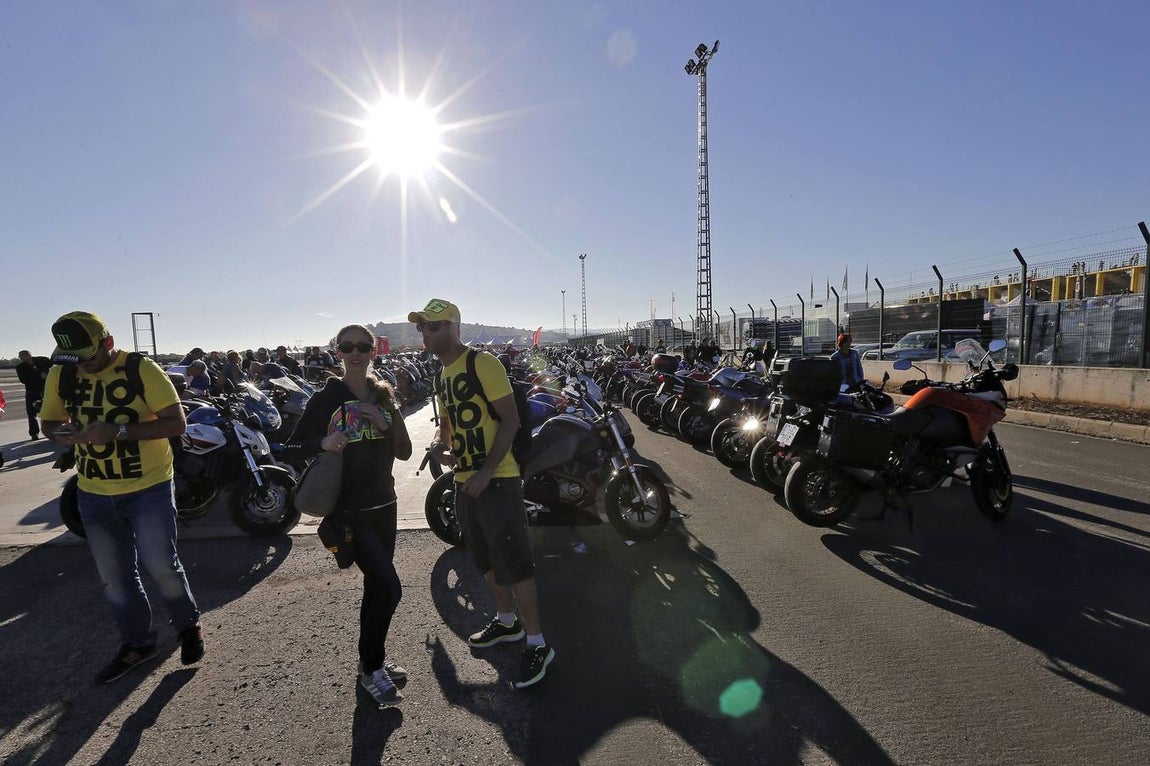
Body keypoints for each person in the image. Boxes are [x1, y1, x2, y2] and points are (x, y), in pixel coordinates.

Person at [38, 311, 204, 684]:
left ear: (107, 344)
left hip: (149, 488)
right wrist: (59, 434)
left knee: (162, 566)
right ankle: (138, 644)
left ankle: (188, 626)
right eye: (72, 358)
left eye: (87, 356)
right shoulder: (61, 372)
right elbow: (48, 421)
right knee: (115, 578)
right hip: (94, 493)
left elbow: (177, 422)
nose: (81, 365)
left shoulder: (139, 369)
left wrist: (119, 431)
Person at [411, 298, 555, 689]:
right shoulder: (442, 375)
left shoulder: (483, 364)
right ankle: (507, 623)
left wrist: (488, 472)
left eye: (433, 326)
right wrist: (442, 445)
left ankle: (539, 643)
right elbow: (448, 424)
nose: (425, 332)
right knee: (485, 557)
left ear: (453, 327)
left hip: (499, 479)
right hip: (464, 481)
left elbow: (510, 421)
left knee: (515, 562)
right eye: (422, 326)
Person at [284, 323, 412, 707]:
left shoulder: (383, 395)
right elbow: (291, 446)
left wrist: (384, 424)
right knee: (390, 587)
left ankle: (371, 662)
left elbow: (404, 451)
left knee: (376, 587)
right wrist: (321, 441)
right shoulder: (326, 398)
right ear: (337, 352)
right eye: (346, 347)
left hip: (385, 506)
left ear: (374, 351)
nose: (355, 353)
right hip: (349, 511)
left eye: (362, 347)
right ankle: (372, 667)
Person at [16, 350, 51, 440]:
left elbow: (50, 362)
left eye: (23, 356)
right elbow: (23, 380)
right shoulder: (20, 367)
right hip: (31, 390)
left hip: (45, 388)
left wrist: (45, 371)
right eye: (20, 357)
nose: (21, 358)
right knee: (31, 412)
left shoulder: (41, 360)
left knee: (50, 409)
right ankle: (34, 433)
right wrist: (39, 377)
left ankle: (51, 430)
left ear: (29, 355)